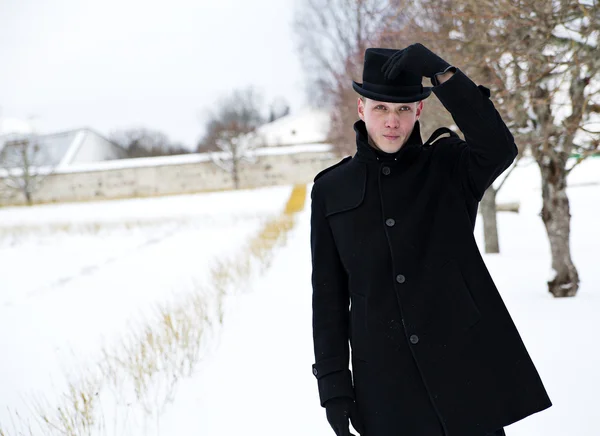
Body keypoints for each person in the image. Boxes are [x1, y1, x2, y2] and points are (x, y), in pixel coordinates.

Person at [309, 44, 552, 436]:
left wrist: (443, 74)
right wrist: (334, 389)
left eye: (404, 109)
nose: (393, 121)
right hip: (385, 392)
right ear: (361, 108)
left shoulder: (449, 165)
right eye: (381, 108)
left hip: (465, 379)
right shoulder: (331, 190)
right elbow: (328, 298)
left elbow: (499, 147)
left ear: (419, 110)